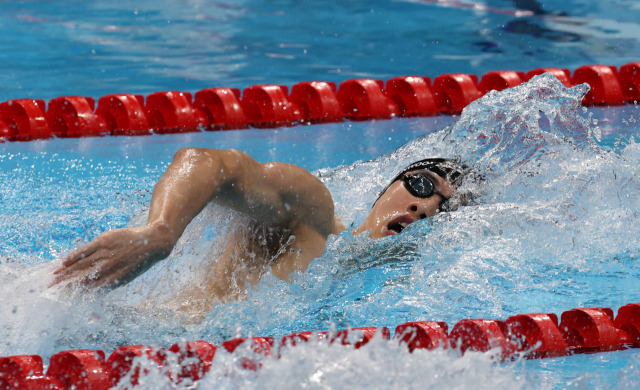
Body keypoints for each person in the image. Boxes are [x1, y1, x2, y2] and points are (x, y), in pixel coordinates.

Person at [52, 148, 468, 311]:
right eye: (421, 184)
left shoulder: (395, 301)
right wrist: (161, 233)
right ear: (389, 186)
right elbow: (211, 164)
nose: (424, 206)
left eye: (442, 208)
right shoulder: (313, 216)